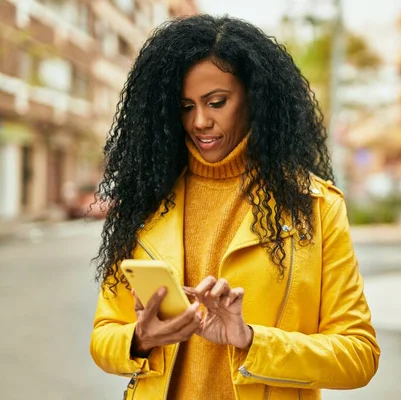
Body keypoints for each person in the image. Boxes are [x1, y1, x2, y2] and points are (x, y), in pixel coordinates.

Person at [90, 14, 380, 400]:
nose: (200, 121)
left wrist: (251, 340)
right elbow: (103, 336)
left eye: (217, 102)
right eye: (185, 107)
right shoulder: (146, 200)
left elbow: (359, 356)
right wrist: (139, 339)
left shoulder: (315, 206)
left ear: (254, 98)